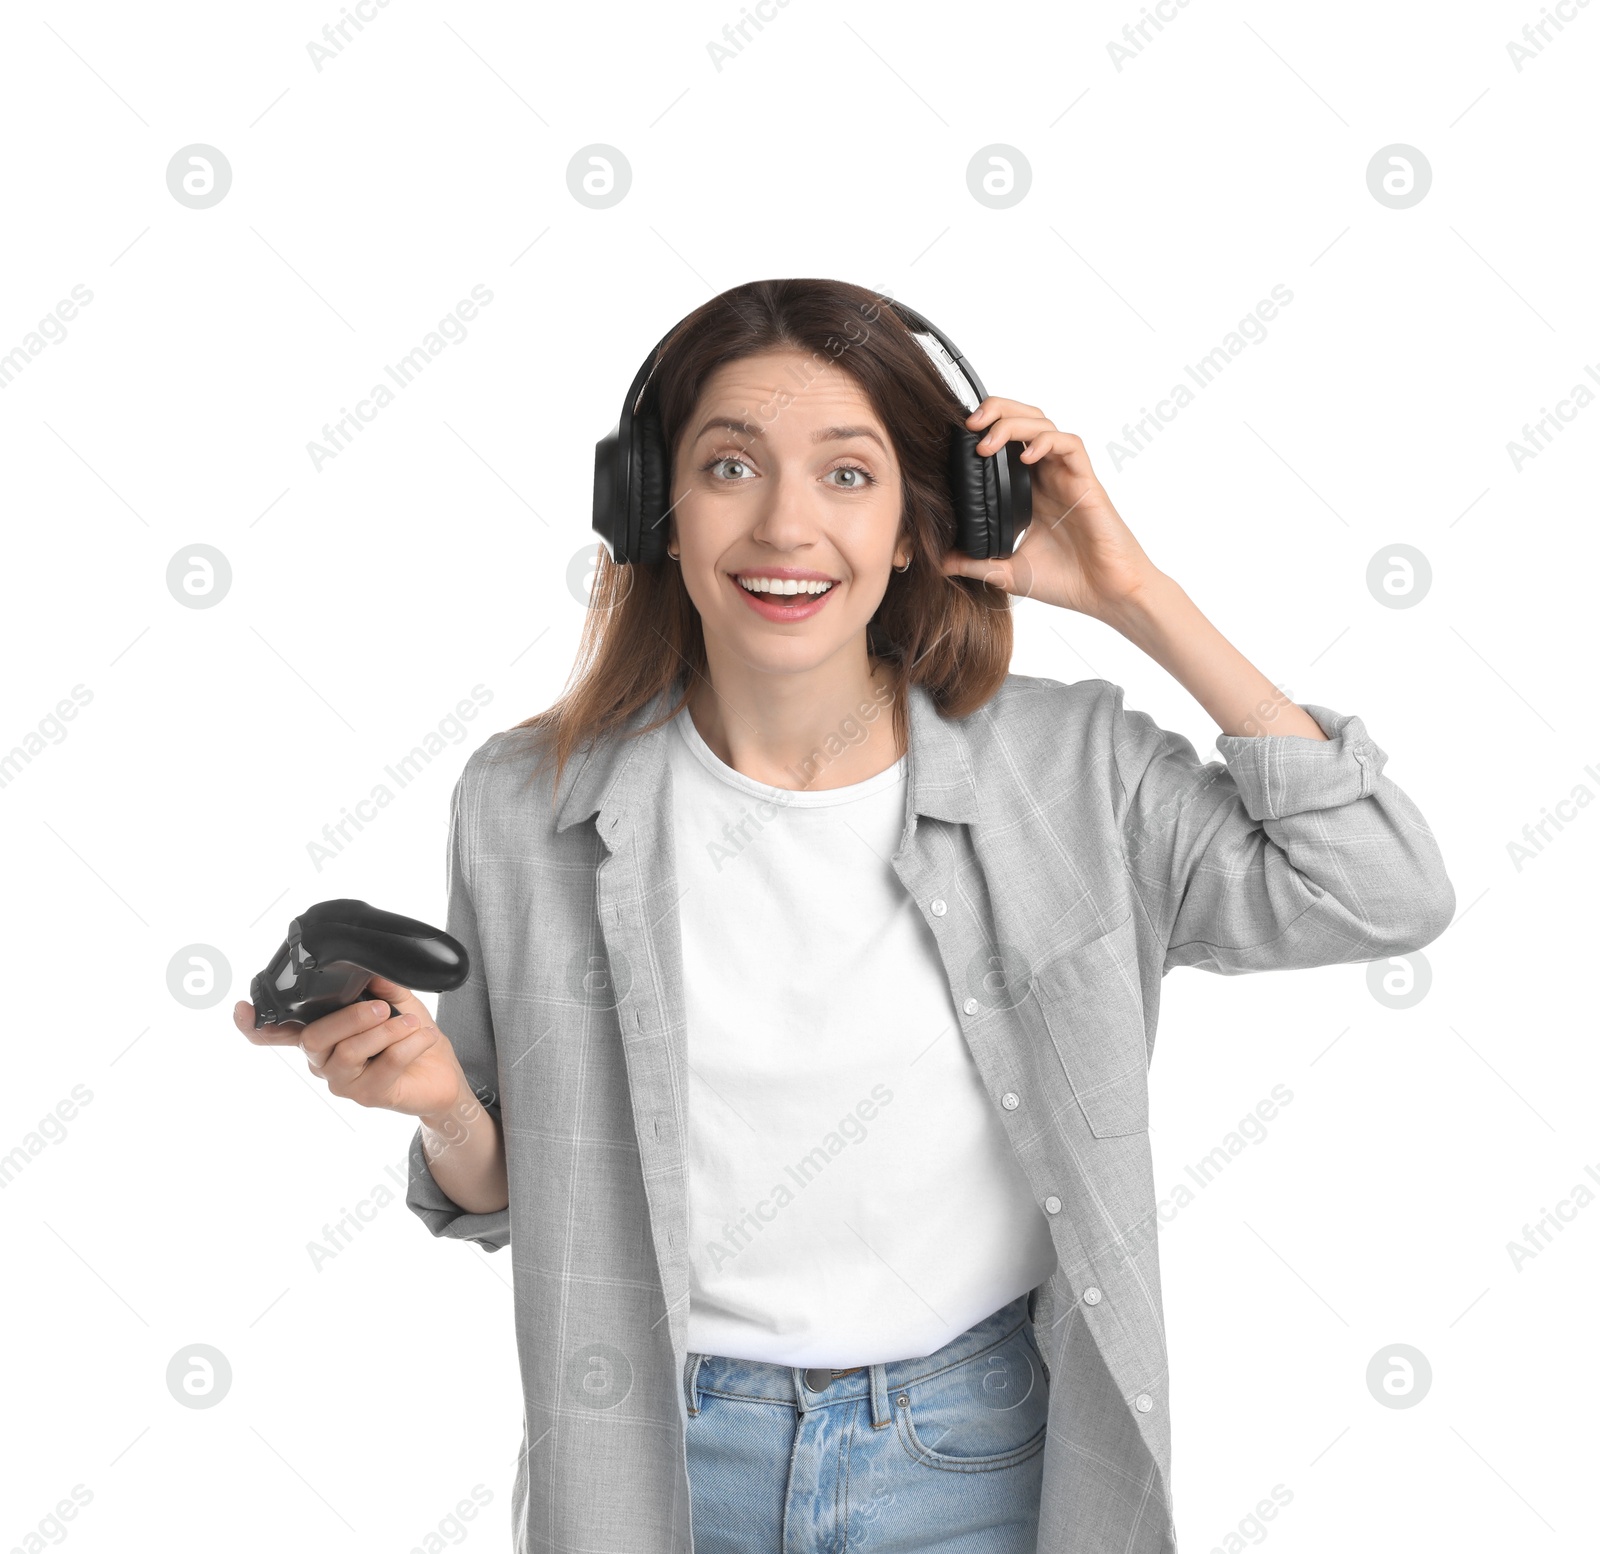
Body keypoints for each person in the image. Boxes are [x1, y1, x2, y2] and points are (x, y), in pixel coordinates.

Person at [233, 277, 1454, 1553]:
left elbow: (1381, 887)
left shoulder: (1073, 773)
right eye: (728, 466)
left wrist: (1133, 593)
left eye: (849, 476)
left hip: (977, 1456)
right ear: (651, 507)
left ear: (928, 521)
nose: (783, 526)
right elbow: (504, 1193)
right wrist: (439, 1105)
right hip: (658, 1459)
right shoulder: (523, 801)